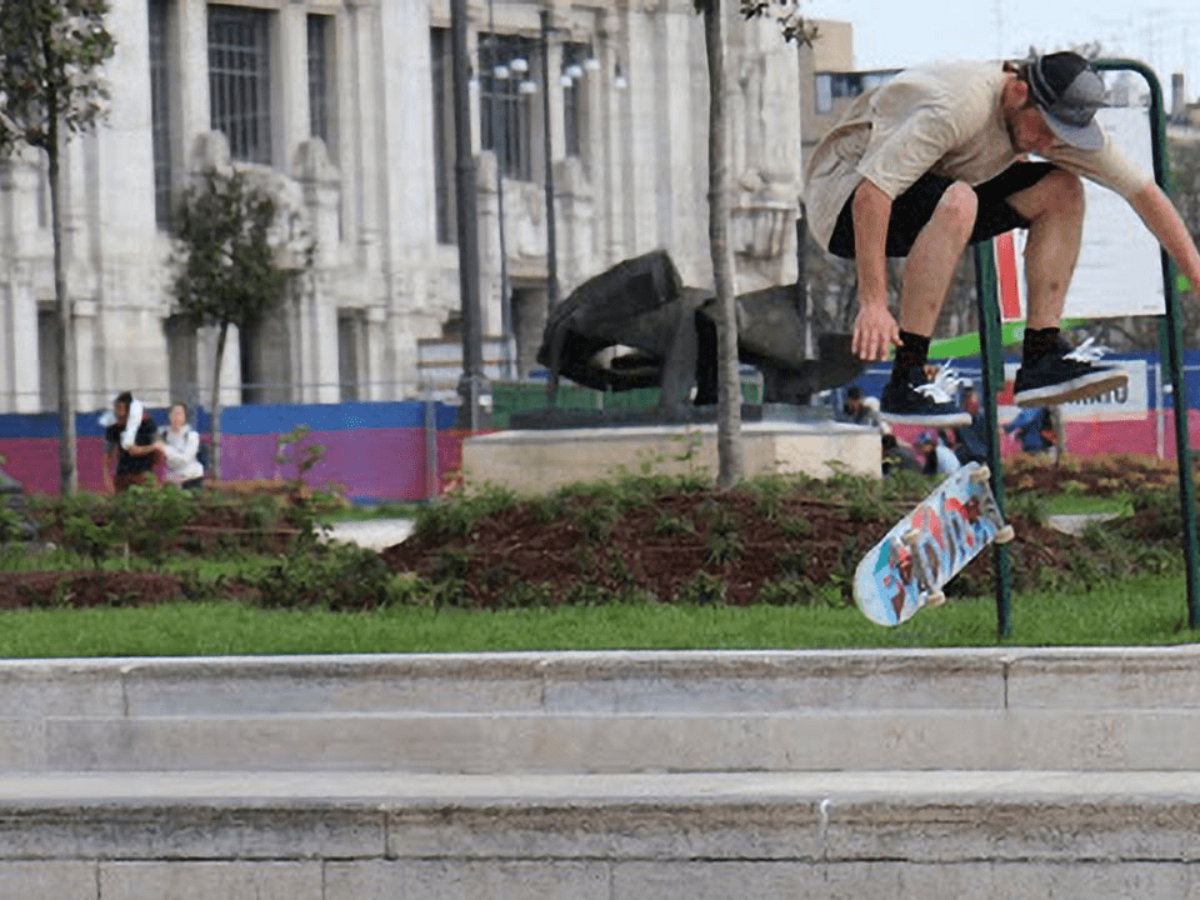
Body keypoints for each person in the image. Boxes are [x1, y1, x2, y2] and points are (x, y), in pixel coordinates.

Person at [804, 49, 1200, 426]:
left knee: (1062, 189)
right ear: (1018, 91)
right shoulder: (960, 106)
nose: (1046, 143)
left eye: (1057, 136)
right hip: (843, 198)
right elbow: (873, 195)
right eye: (1043, 130)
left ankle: (1041, 356)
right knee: (958, 199)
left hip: (934, 193)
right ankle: (906, 377)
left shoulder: (1050, 123)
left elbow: (1146, 196)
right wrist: (873, 302)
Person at [101, 391, 163, 493]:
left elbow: (158, 449)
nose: (119, 413)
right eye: (117, 408)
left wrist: (141, 450)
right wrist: (108, 481)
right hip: (123, 475)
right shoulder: (115, 427)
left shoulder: (147, 423)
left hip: (144, 474)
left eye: (122, 408)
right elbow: (107, 455)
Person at [156, 401, 205, 490]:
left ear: (184, 417)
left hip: (191, 479)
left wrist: (165, 449)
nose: (176, 417)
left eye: (179, 414)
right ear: (169, 416)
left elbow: (185, 459)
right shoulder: (162, 434)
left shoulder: (192, 436)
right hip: (171, 481)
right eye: (173, 413)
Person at [953, 385, 990, 465]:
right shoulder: (961, 420)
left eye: (972, 401)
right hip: (969, 458)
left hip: (984, 458)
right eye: (966, 401)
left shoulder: (983, 418)